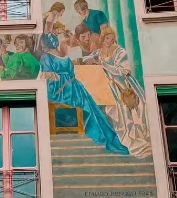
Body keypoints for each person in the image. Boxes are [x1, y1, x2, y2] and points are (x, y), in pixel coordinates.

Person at [39, 32, 127, 155]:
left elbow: (47, 76)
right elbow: (71, 73)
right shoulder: (65, 57)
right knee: (92, 108)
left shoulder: (46, 57)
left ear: (44, 45)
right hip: (75, 89)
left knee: (41, 100)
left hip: (59, 92)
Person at [82, 24, 151, 157]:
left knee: (122, 109)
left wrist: (103, 65)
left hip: (122, 85)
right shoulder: (100, 50)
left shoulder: (120, 51)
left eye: (112, 39)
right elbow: (90, 58)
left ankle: (127, 136)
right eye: (107, 38)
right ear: (103, 39)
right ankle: (110, 134)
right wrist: (84, 60)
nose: (110, 41)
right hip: (108, 83)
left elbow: (123, 71)